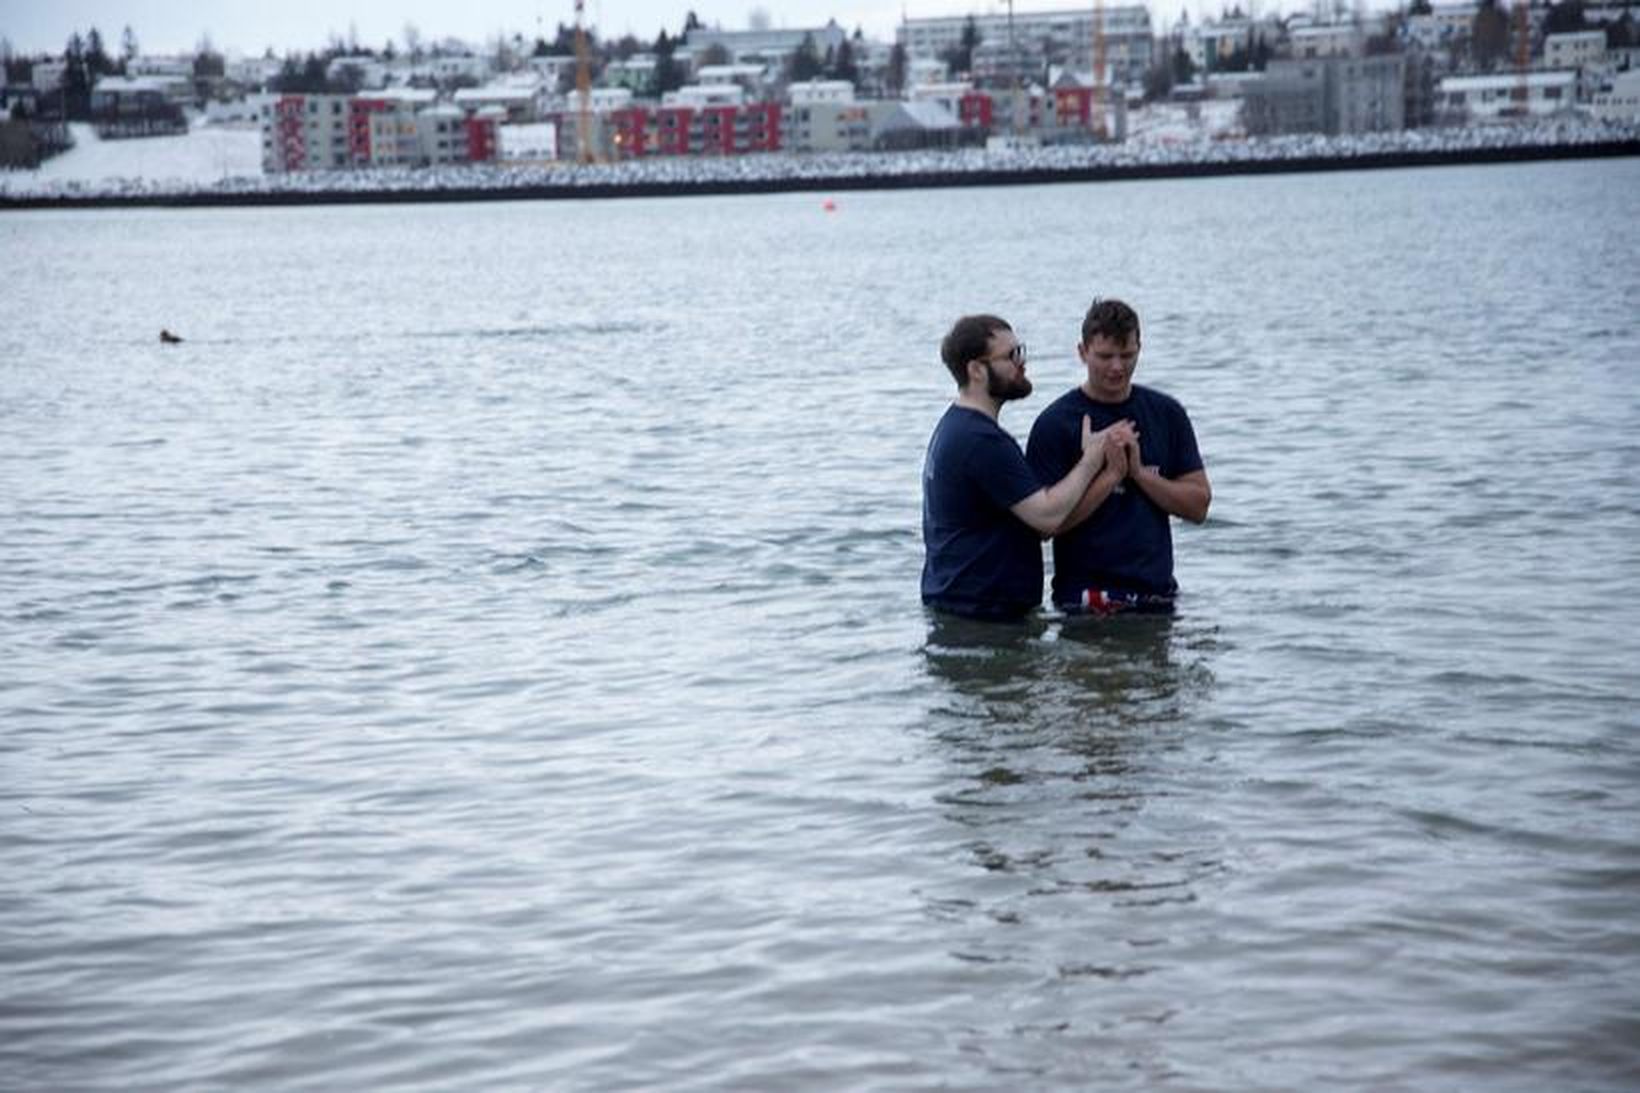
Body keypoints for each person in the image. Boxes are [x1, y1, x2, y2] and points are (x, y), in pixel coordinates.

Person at [921, 314, 1117, 621]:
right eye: (1011, 355)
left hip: (963, 606)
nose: (1022, 363)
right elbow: (1047, 517)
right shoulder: (980, 440)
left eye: (1021, 351)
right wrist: (1092, 461)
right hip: (980, 617)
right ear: (976, 370)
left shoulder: (955, 426)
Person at [1026, 298, 1210, 615]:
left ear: (1140, 348)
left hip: (1157, 594)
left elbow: (1199, 506)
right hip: (1084, 599)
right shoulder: (1055, 423)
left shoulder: (1166, 414)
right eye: (1105, 356)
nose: (1117, 367)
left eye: (1127, 355)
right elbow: (1043, 527)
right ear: (1082, 352)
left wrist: (1138, 473)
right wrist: (1108, 475)